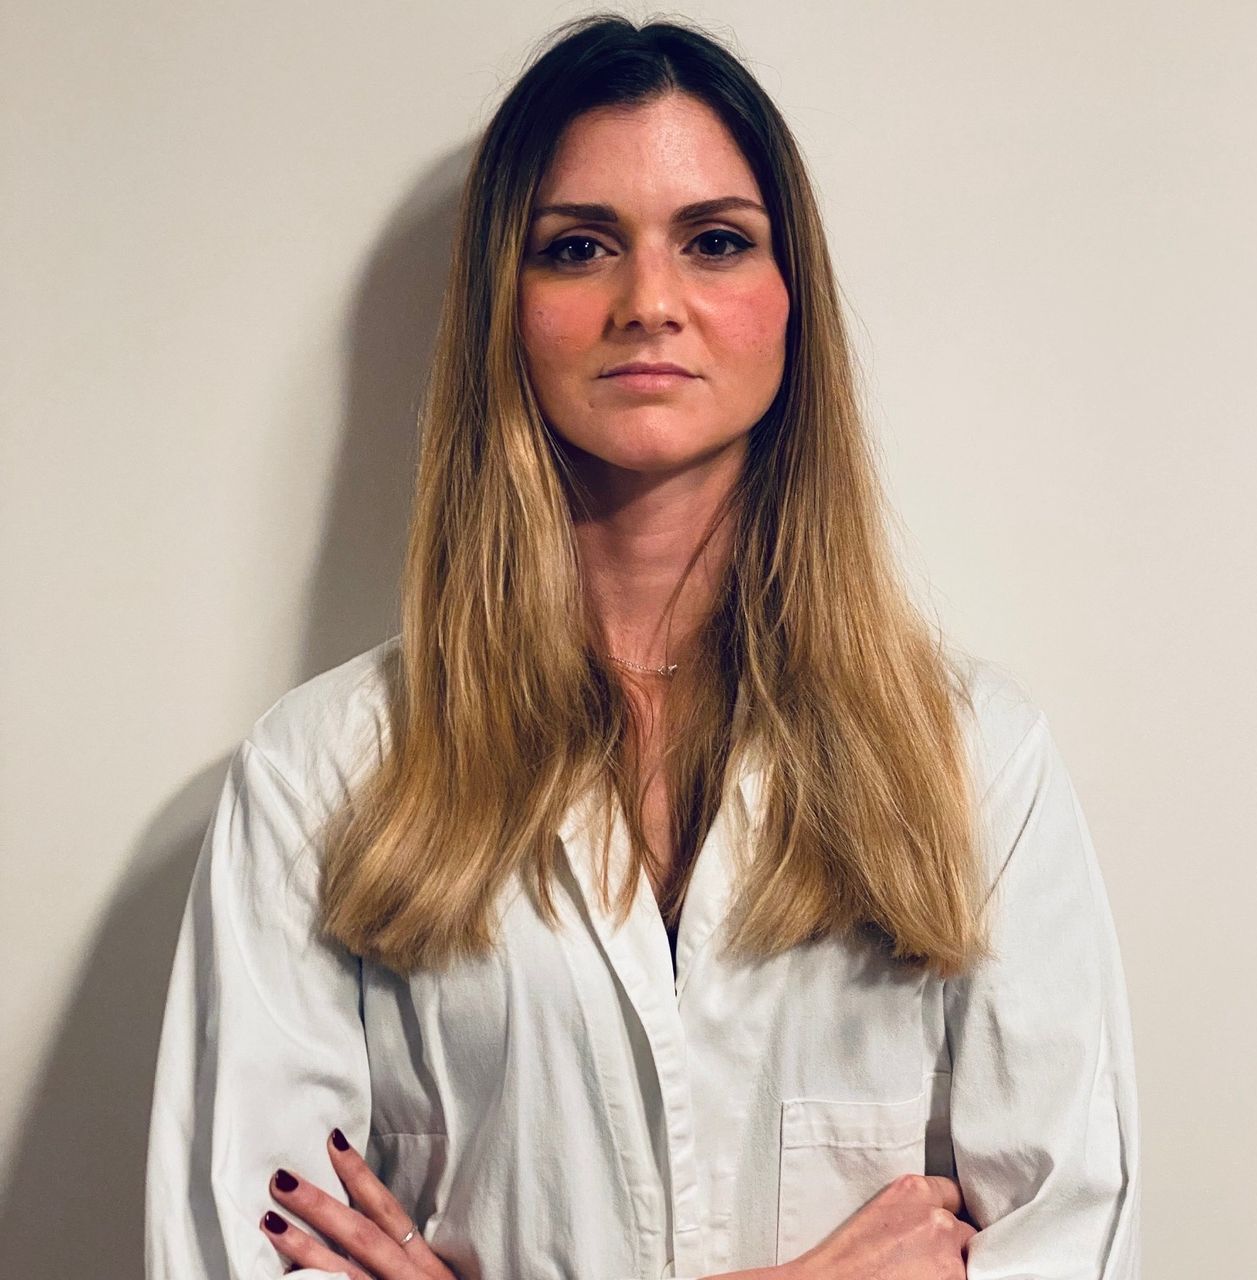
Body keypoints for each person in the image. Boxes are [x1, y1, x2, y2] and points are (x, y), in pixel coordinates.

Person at [144, 12, 1141, 1280]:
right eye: (577, 247)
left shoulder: (974, 761)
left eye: (714, 240)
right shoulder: (322, 776)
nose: (648, 303)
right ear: (505, 307)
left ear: (790, 302)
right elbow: (230, 1258)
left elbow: (1075, 1243)